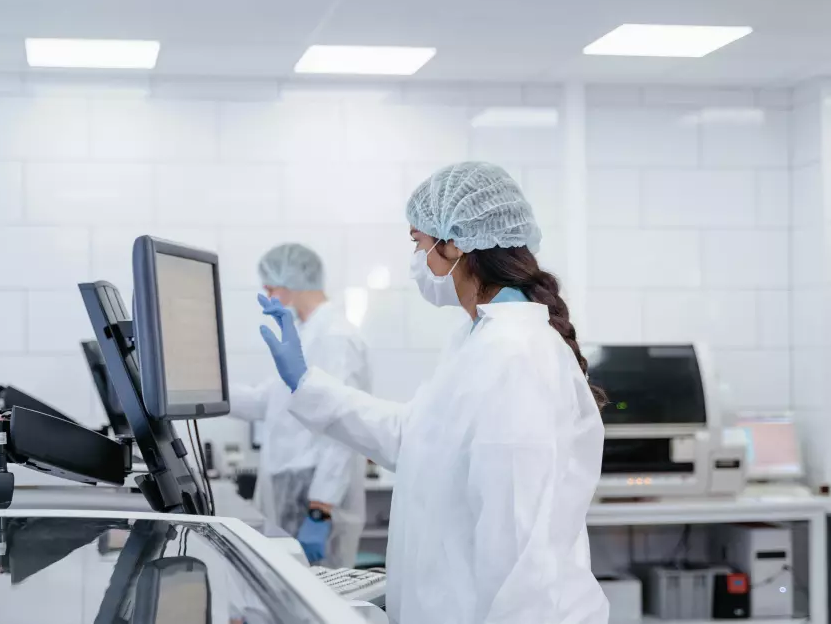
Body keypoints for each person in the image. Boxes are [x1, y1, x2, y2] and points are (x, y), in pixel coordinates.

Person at [256, 162, 609, 624]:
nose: (416, 260)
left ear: (455, 244)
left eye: (418, 243)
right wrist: (305, 384)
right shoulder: (477, 341)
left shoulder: (517, 355)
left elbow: (524, 554)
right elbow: (413, 437)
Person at [228, 243, 369, 568]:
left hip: (315, 498)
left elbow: (342, 426)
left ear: (290, 281)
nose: (268, 297)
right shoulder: (305, 335)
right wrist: (207, 391)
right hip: (293, 490)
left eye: (271, 288)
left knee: (319, 607)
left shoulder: (335, 337)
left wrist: (320, 509)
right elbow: (266, 402)